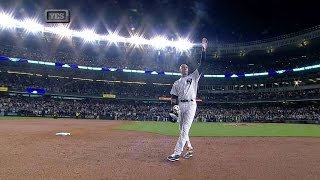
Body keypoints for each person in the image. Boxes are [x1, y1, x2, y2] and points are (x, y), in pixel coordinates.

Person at [167, 38, 208, 162]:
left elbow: (203, 64)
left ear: (188, 69)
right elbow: (173, 97)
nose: (184, 68)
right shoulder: (176, 82)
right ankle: (189, 148)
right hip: (180, 105)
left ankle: (177, 153)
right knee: (181, 130)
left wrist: (204, 49)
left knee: (185, 129)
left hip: (191, 104)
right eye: (182, 67)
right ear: (180, 70)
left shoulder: (194, 76)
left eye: (186, 67)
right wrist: (173, 108)